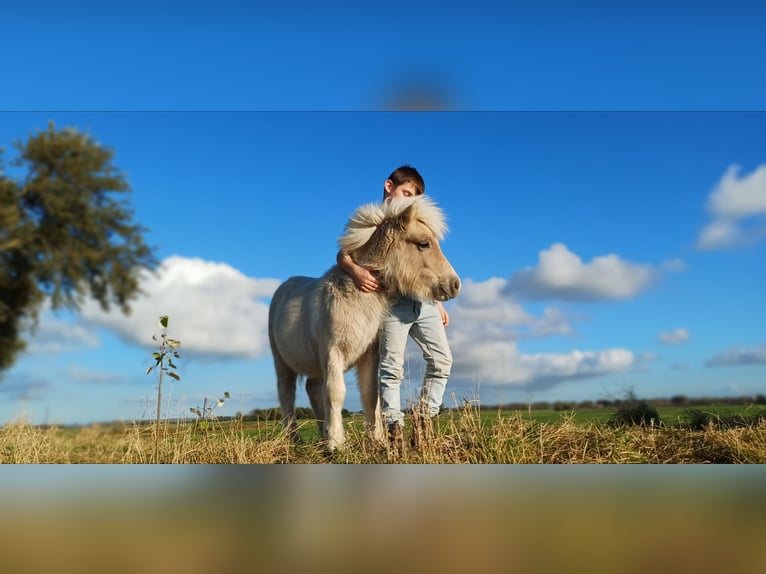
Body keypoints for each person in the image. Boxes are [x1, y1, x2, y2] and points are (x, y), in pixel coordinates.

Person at [336, 165, 453, 445]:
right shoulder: (375, 222)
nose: (409, 200)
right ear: (389, 186)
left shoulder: (414, 222)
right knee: (392, 367)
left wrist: (437, 302)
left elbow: (423, 264)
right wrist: (357, 271)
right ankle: (394, 428)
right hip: (393, 305)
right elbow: (344, 254)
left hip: (424, 303)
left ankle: (425, 419)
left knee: (442, 360)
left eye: (415, 197)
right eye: (406, 193)